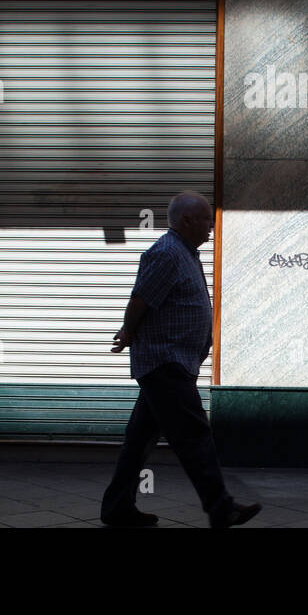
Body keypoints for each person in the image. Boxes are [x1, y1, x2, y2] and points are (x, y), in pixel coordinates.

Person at [101, 191, 261, 528]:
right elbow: (140, 299)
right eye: (206, 219)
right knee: (194, 434)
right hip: (164, 362)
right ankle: (221, 507)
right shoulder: (168, 253)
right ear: (187, 220)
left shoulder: (185, 253)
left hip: (174, 361)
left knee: (139, 439)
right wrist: (128, 331)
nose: (211, 226)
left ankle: (117, 507)